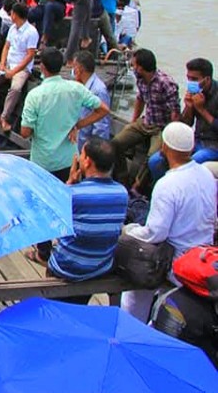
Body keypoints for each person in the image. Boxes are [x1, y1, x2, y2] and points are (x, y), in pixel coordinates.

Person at [120, 122, 218, 322]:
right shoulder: (206, 174)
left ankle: (132, 324)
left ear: (164, 146)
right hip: (203, 253)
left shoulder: (167, 184)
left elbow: (156, 233)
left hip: (175, 260)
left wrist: (127, 231)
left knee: (134, 284)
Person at [46, 137, 128, 290]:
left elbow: (51, 219)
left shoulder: (73, 193)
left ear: (87, 162)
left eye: (82, 155)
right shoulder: (122, 193)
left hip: (67, 269)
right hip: (100, 268)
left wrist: (70, 182)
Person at [20, 47, 110, 185]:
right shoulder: (76, 88)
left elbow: (25, 132)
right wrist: (78, 124)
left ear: (42, 67)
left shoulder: (35, 95)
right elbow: (103, 110)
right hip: (69, 161)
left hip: (43, 162)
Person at [112, 49, 180, 189]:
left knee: (152, 158)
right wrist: (133, 121)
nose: (132, 67)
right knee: (116, 143)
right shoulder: (141, 78)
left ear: (141, 67)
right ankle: (122, 176)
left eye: (134, 65)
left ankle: (137, 186)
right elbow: (140, 99)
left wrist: (170, 138)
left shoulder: (166, 83)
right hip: (145, 122)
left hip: (160, 127)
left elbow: (175, 112)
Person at [148, 58, 218, 182]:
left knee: (192, 162)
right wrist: (189, 107)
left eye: (194, 79)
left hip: (213, 145)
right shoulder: (195, 92)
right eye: (188, 78)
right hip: (195, 140)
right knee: (156, 161)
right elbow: (186, 124)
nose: (190, 82)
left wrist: (202, 110)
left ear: (206, 79)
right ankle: (160, 188)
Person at [0, 2, 39, 133]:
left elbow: (30, 55)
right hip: (8, 63)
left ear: (15, 14)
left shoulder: (31, 32)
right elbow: (6, 46)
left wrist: (14, 71)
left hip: (21, 67)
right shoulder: (13, 28)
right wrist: (2, 64)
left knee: (15, 88)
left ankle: (4, 117)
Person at [71, 51, 111, 151]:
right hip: (77, 141)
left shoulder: (98, 90)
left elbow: (101, 127)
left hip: (87, 145)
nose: (73, 70)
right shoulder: (81, 85)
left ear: (80, 69)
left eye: (74, 66)